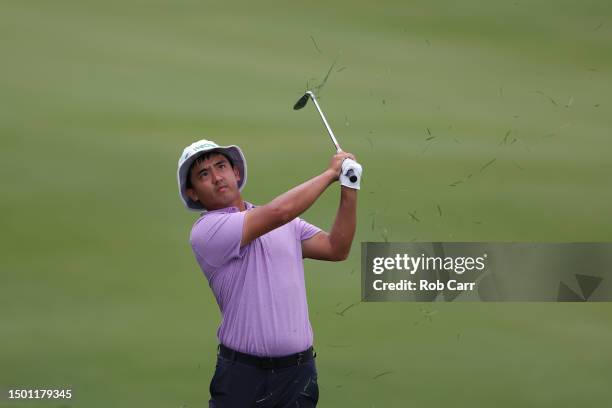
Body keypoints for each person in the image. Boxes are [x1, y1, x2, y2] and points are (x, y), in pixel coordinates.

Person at [176, 139, 362, 407]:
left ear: (236, 173)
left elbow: (337, 248)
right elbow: (279, 211)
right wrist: (331, 173)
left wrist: (349, 185)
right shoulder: (207, 231)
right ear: (193, 192)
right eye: (204, 174)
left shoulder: (285, 224)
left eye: (221, 166)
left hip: (298, 375)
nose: (217, 177)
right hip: (243, 376)